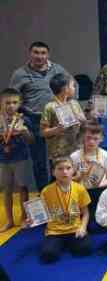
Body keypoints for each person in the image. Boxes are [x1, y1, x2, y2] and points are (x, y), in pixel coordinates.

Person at [10, 41, 74, 189]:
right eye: (36, 52)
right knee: (39, 161)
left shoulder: (58, 69)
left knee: (58, 158)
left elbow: (72, 85)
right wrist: (17, 119)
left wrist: (70, 104)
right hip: (34, 120)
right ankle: (44, 193)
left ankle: (59, 192)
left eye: (43, 53)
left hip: (57, 120)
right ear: (30, 54)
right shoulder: (20, 74)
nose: (39, 56)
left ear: (48, 55)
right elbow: (13, 98)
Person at [38, 157, 92, 263]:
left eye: (68, 168)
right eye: (60, 169)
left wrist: (83, 227)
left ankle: (65, 244)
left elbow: (85, 213)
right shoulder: (46, 191)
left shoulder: (80, 188)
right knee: (48, 255)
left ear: (73, 170)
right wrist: (32, 221)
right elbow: (41, 215)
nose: (65, 172)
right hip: (55, 231)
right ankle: (59, 244)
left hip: (75, 229)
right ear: (53, 172)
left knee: (85, 250)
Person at [0, 88, 34, 231]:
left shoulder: (24, 120)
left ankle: (24, 218)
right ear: (1, 103)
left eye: (14, 102)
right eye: (7, 103)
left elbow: (32, 141)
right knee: (6, 189)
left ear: (19, 103)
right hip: (3, 159)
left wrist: (24, 131)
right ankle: (9, 220)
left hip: (21, 158)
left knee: (22, 187)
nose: (11, 106)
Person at [70, 121, 107, 230]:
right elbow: (69, 180)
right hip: (81, 192)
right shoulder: (74, 156)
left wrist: (99, 184)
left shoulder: (106, 155)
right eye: (88, 138)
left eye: (95, 138)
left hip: (99, 191)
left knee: (97, 226)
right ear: (82, 137)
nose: (91, 141)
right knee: (85, 226)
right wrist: (80, 176)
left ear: (101, 139)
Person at [40, 74, 85, 170]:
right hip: (58, 153)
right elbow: (43, 132)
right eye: (73, 86)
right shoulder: (50, 107)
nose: (74, 89)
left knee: (81, 173)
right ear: (65, 89)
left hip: (77, 150)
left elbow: (84, 124)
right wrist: (56, 129)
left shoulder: (75, 103)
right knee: (62, 176)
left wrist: (82, 119)